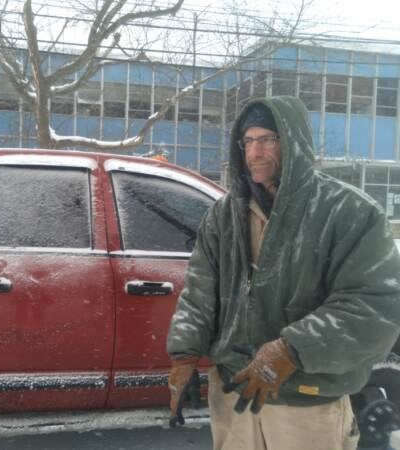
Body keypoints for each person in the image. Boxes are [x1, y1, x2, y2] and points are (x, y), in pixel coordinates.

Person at [166, 96, 400, 450]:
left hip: (306, 401)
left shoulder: (348, 212)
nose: (255, 152)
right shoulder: (224, 215)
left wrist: (292, 350)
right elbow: (200, 290)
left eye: (268, 140)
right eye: (248, 141)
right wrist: (184, 355)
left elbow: (374, 307)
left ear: (294, 143)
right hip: (234, 396)